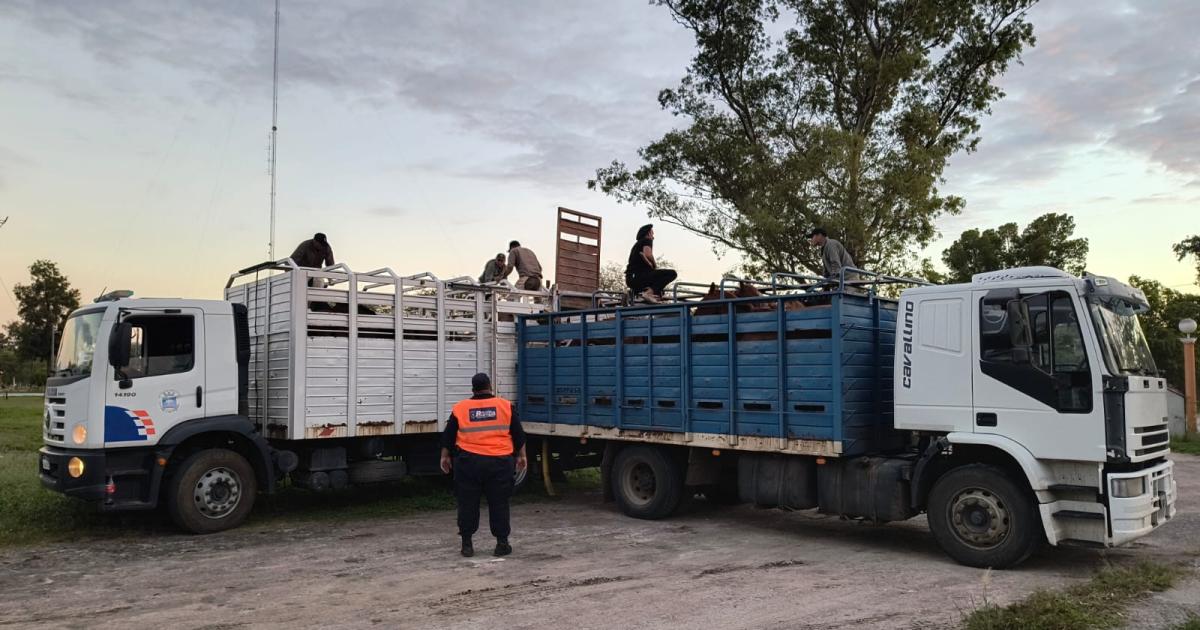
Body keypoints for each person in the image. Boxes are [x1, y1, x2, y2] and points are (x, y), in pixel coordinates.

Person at [440, 372, 528, 558]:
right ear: (490, 386)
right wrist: (522, 456)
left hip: (469, 463)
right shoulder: (505, 406)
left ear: (473, 389)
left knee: (467, 503)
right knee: (499, 503)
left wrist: (445, 457)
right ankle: (502, 544)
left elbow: (448, 437)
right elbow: (519, 435)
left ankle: (467, 545)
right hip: (499, 463)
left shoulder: (461, 408)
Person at [625, 224, 677, 303]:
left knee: (657, 284)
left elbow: (643, 258)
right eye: (652, 233)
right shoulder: (647, 240)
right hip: (639, 277)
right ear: (648, 233)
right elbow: (648, 254)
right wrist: (654, 264)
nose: (653, 236)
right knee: (672, 273)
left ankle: (644, 294)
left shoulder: (636, 245)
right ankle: (648, 293)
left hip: (631, 280)